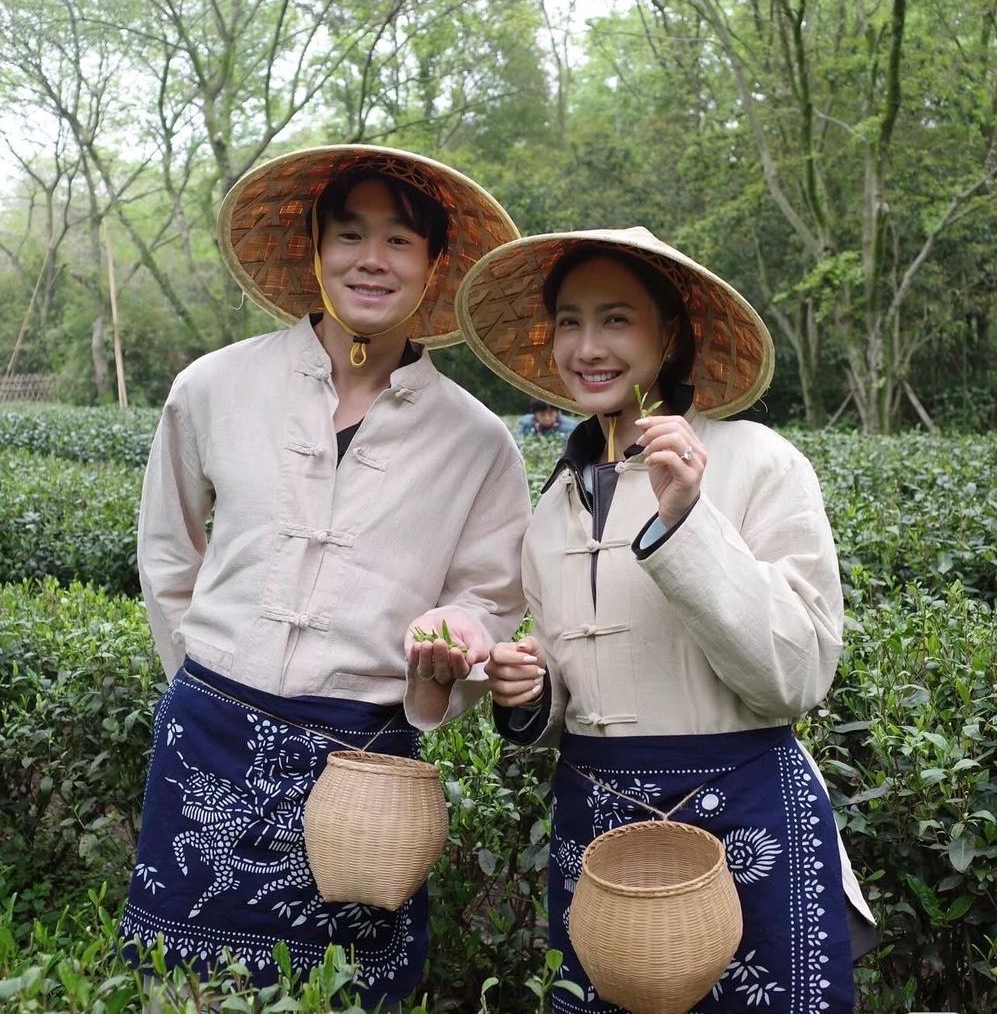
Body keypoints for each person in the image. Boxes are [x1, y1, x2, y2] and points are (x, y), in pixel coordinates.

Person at [120, 146, 531, 1010]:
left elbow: (488, 595)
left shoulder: (477, 440)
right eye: (349, 235)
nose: (370, 259)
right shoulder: (213, 387)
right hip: (208, 741)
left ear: (431, 268)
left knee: (346, 992)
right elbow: (167, 552)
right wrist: (193, 687)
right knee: (181, 989)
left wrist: (450, 643)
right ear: (315, 249)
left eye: (398, 241)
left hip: (362, 762)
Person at [456, 227, 877, 1014]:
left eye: (616, 319)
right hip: (599, 832)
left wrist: (687, 517)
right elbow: (572, 693)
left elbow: (794, 677)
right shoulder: (550, 509)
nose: (588, 346)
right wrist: (529, 693)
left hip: (745, 820)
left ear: (670, 333)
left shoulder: (757, 462)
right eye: (571, 322)